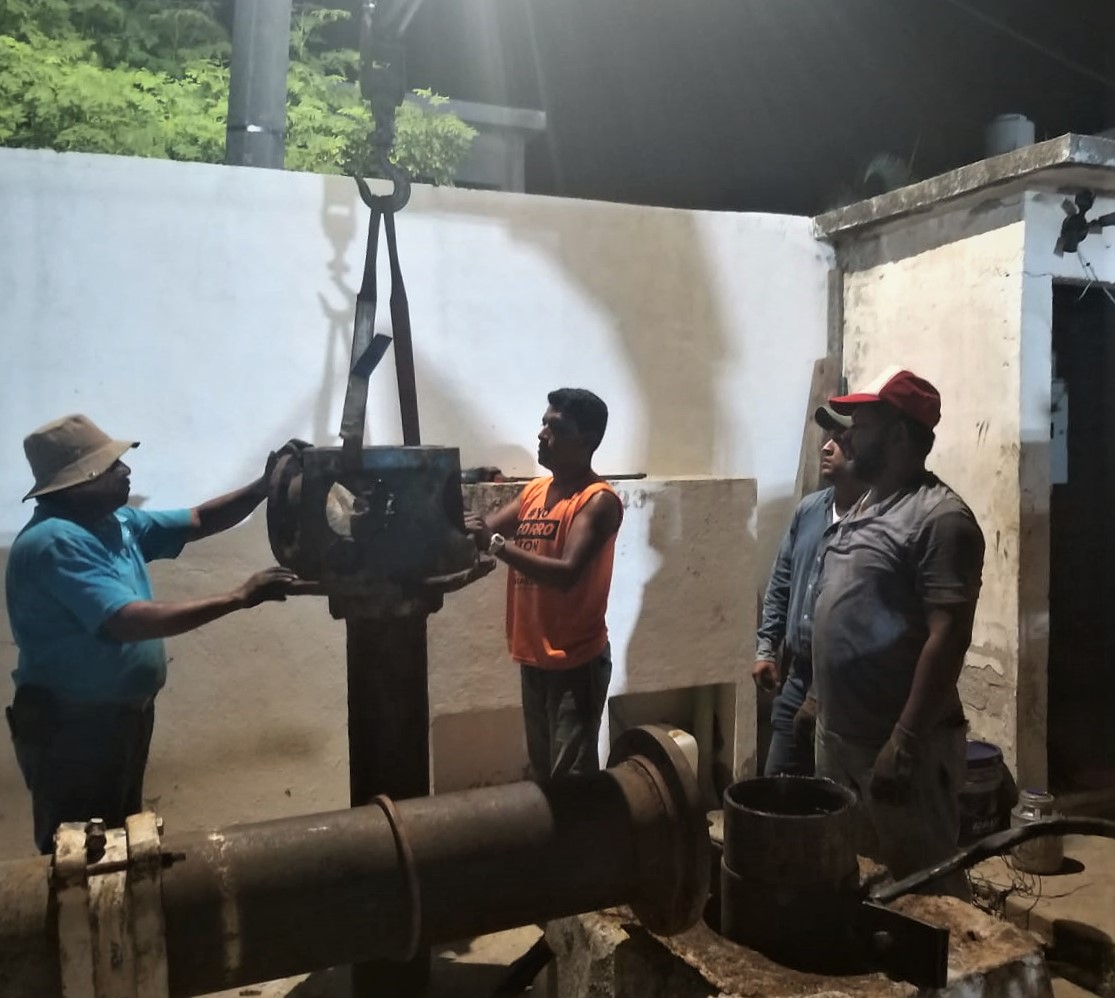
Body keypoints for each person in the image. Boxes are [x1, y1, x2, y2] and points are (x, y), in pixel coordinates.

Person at [5, 413, 300, 853]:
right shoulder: (56, 541)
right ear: (78, 482)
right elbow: (127, 620)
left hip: (119, 718)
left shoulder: (114, 523)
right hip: (73, 730)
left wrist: (262, 487)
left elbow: (198, 519)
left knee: (120, 845)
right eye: (111, 466)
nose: (126, 470)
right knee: (81, 855)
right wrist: (238, 597)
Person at [812, 368, 985, 898]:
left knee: (925, 888)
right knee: (860, 877)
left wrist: (905, 742)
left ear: (899, 436)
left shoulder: (941, 519)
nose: (846, 437)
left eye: (861, 426)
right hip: (842, 738)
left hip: (896, 747)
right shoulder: (864, 504)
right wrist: (818, 698)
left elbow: (949, 636)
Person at [466, 388, 623, 781]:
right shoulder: (536, 491)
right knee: (543, 774)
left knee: (569, 783)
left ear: (586, 441)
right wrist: (453, 516)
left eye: (556, 428)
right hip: (534, 656)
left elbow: (566, 574)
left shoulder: (597, 501)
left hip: (575, 662)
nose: (541, 434)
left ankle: (583, 826)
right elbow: (483, 532)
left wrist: (494, 544)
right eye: (543, 423)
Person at [753, 404, 865, 776]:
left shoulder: (875, 520)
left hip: (848, 688)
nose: (826, 447)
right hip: (799, 676)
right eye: (827, 438)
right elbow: (782, 582)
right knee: (778, 785)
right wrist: (767, 649)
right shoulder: (809, 511)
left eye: (840, 440)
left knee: (835, 789)